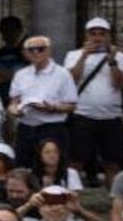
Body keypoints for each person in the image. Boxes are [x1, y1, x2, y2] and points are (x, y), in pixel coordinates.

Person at [68, 17, 123, 185]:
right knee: (76, 160)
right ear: (86, 35)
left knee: (112, 161)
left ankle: (114, 199)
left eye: (101, 34)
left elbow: (121, 84)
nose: (97, 37)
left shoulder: (120, 56)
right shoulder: (73, 55)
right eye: (93, 33)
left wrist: (112, 60)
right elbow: (70, 81)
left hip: (111, 116)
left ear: (108, 35)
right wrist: (83, 56)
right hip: (83, 114)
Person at [9, 33, 79, 166]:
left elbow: (71, 105)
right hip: (26, 127)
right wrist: (15, 111)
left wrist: (52, 108)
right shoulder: (21, 74)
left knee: (51, 167)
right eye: (31, 50)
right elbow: (14, 102)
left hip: (51, 127)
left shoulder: (62, 74)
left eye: (40, 49)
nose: (36, 53)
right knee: (24, 167)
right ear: (25, 53)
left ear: (48, 50)